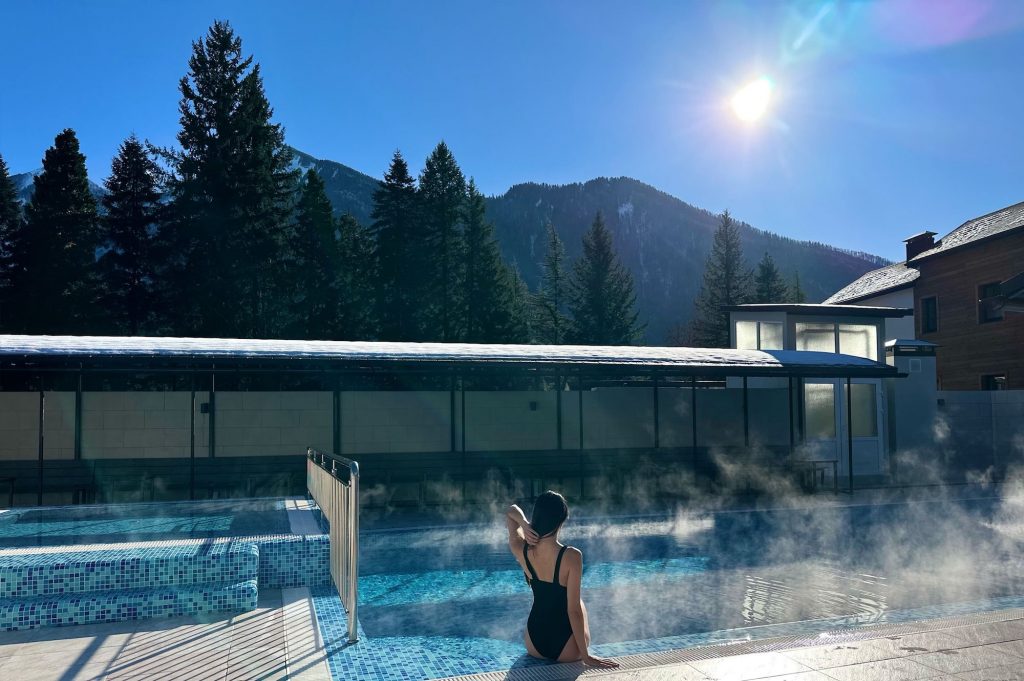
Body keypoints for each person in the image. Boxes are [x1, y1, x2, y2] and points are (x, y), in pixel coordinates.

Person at [504, 491, 619, 668]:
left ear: (537, 516)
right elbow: (573, 611)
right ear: (561, 521)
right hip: (566, 650)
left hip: (534, 643)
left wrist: (525, 525)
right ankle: (581, 649)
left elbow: (510, 511)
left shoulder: (522, 550)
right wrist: (586, 656)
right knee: (578, 602)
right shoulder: (572, 556)